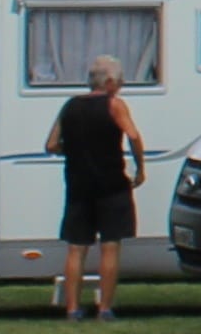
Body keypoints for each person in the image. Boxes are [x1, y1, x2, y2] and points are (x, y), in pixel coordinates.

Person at [50, 53, 145, 320]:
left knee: (76, 248)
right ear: (110, 82)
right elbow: (133, 136)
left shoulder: (70, 106)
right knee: (110, 246)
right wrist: (140, 167)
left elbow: (51, 144)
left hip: (78, 185)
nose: (122, 86)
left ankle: (72, 309)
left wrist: (75, 150)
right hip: (111, 185)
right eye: (121, 81)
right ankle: (104, 308)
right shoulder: (114, 105)